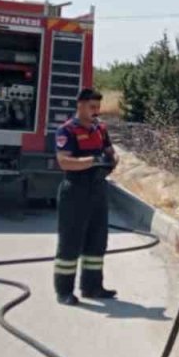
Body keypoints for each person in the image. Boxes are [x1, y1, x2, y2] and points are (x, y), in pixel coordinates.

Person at [52, 88, 118, 305]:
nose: (96, 111)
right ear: (79, 105)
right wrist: (93, 161)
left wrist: (112, 159)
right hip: (75, 190)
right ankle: (64, 291)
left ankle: (92, 287)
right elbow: (64, 161)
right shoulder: (67, 130)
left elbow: (109, 150)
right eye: (92, 107)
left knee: (97, 241)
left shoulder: (100, 128)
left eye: (98, 107)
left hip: (98, 189)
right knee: (70, 242)